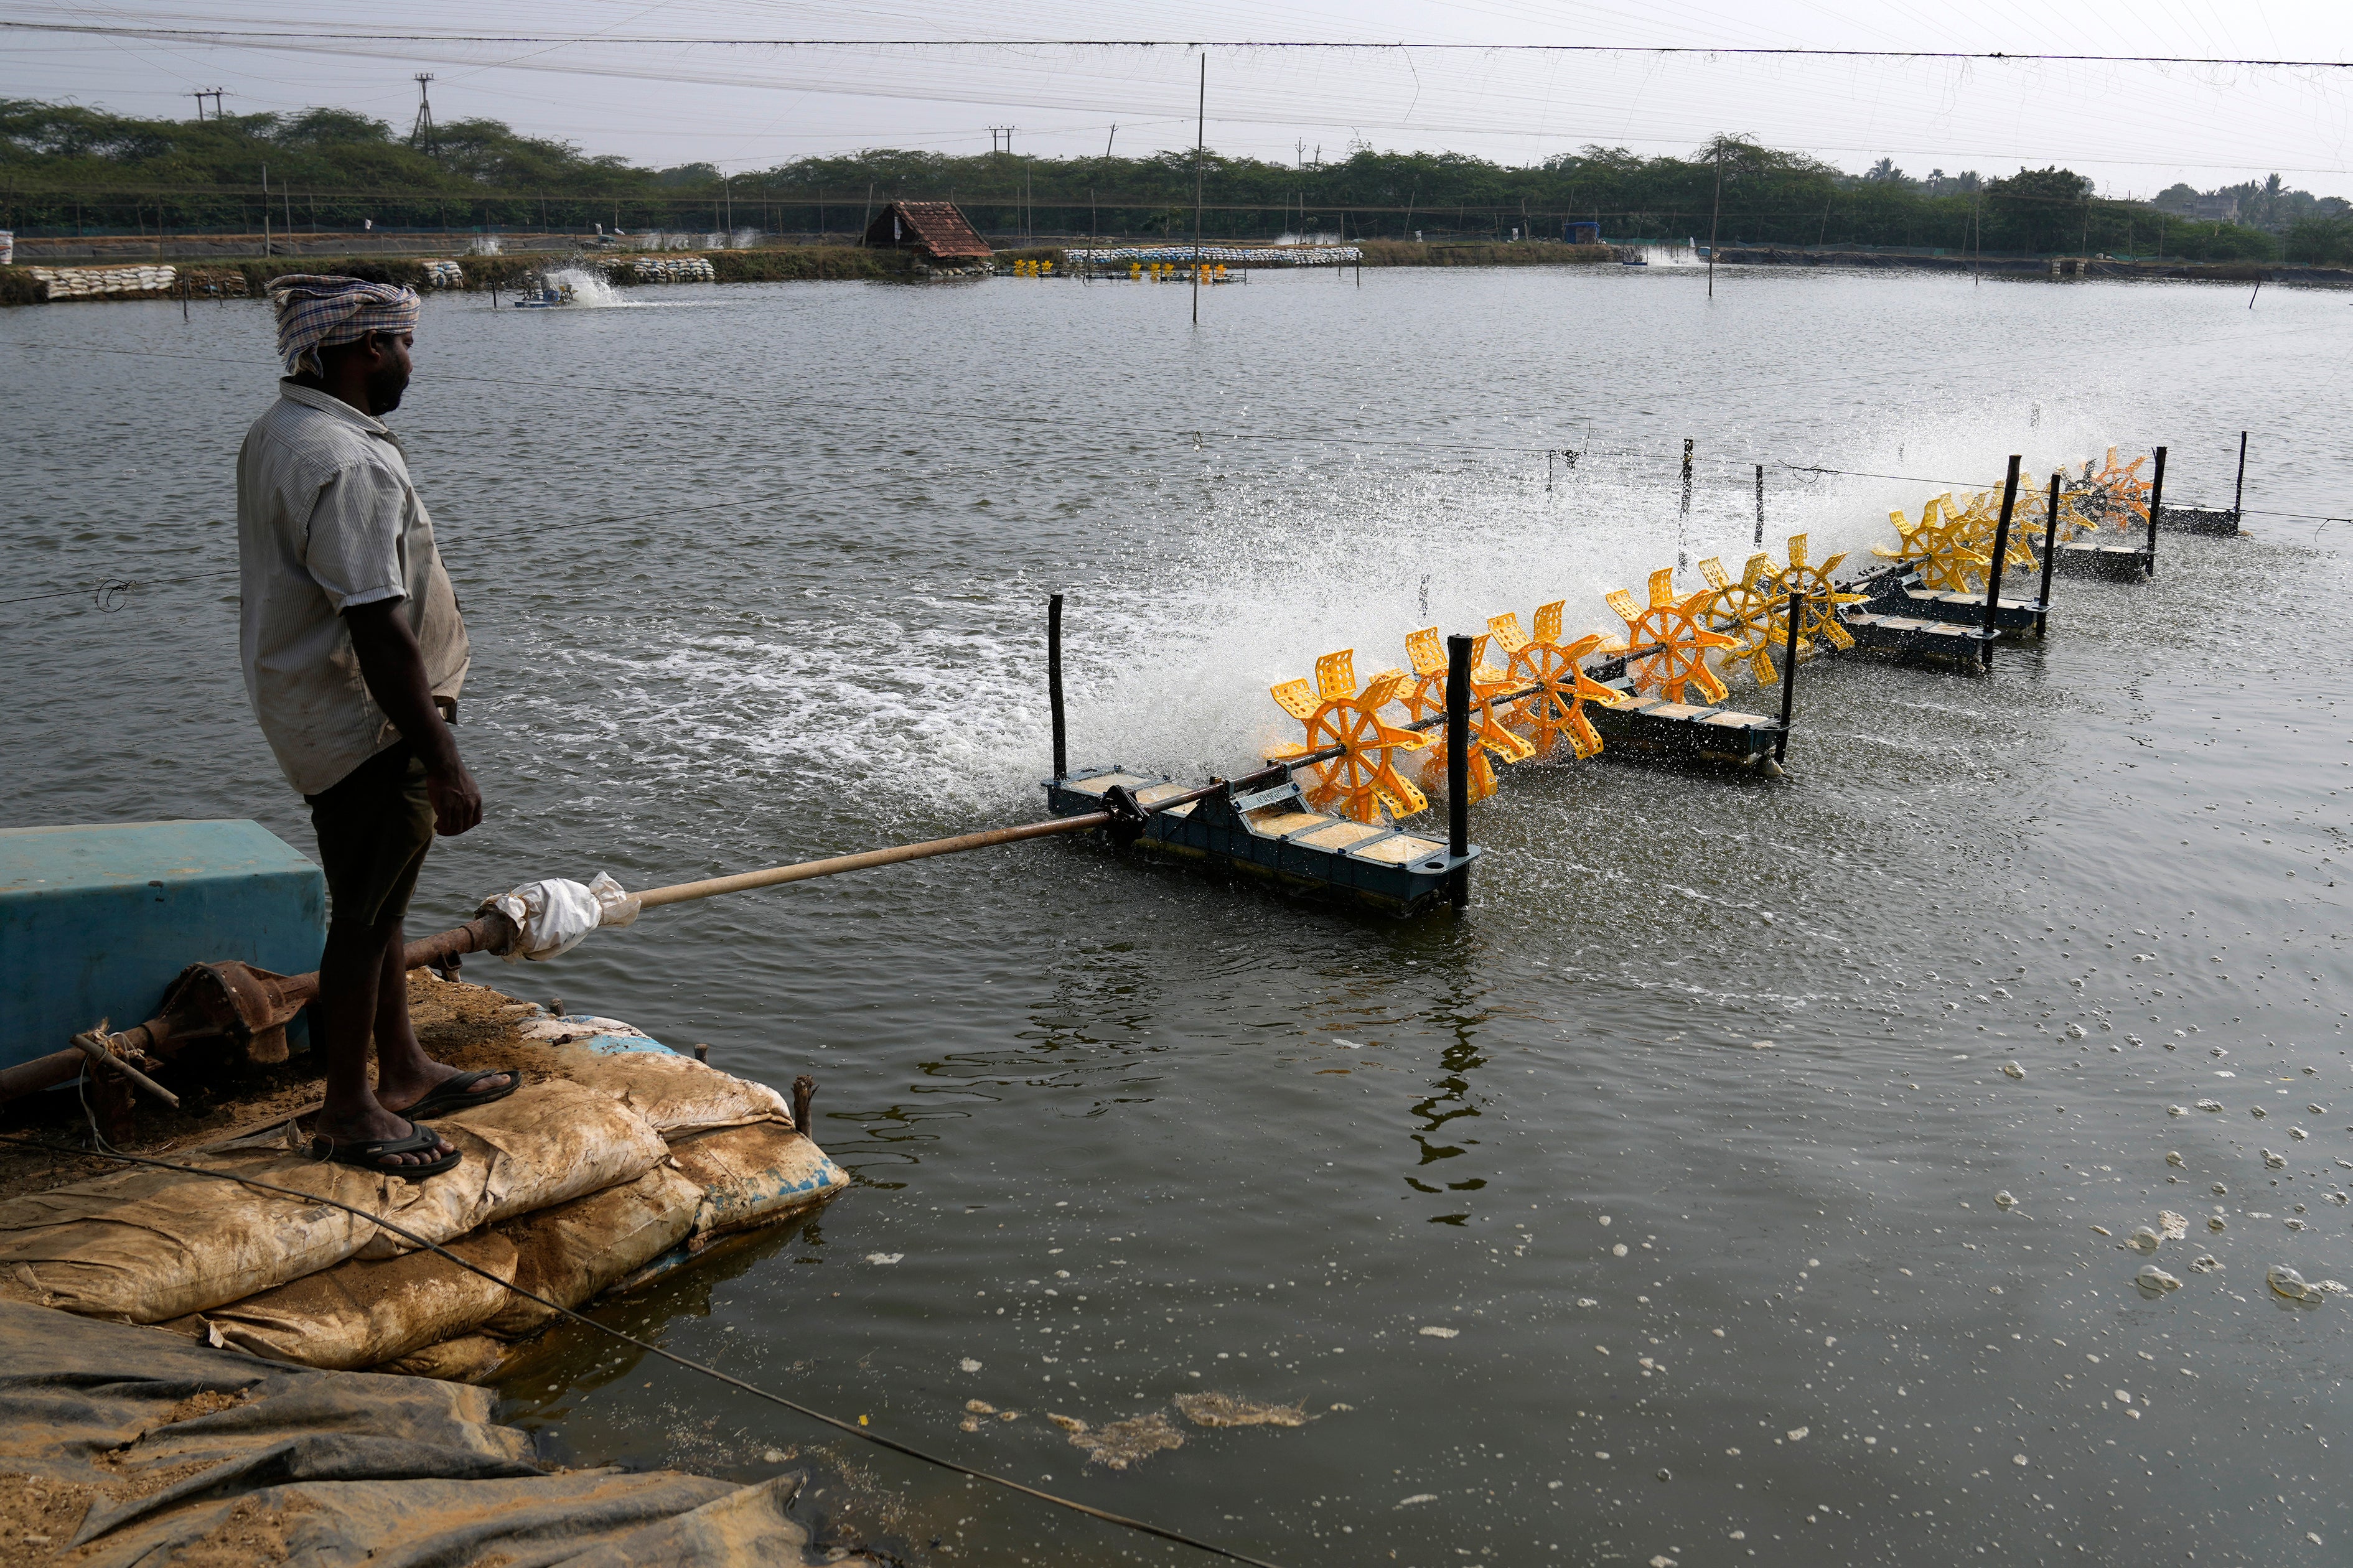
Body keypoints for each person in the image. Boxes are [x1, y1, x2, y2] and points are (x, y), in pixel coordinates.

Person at [237, 274, 513, 1178]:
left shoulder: (286, 430)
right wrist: (444, 759)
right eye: (401, 346)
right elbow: (375, 622)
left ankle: (401, 1070)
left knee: (382, 901)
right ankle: (349, 1108)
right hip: (366, 719)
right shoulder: (343, 460)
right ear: (363, 352)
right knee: (362, 915)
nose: (407, 363)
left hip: (318, 705)